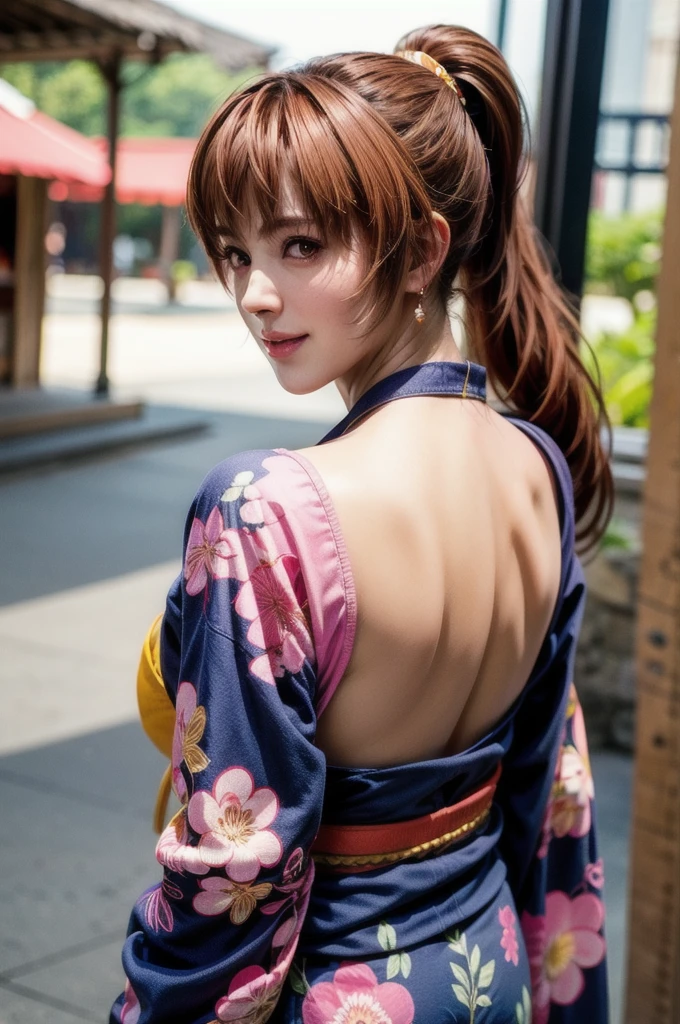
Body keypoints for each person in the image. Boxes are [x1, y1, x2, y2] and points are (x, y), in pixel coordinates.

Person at [111, 24, 612, 1024]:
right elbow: (546, 794)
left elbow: (230, 880)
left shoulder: (265, 508)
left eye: (299, 245)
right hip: (488, 963)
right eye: (234, 252)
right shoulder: (536, 470)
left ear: (422, 246)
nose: (256, 294)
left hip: (340, 992)